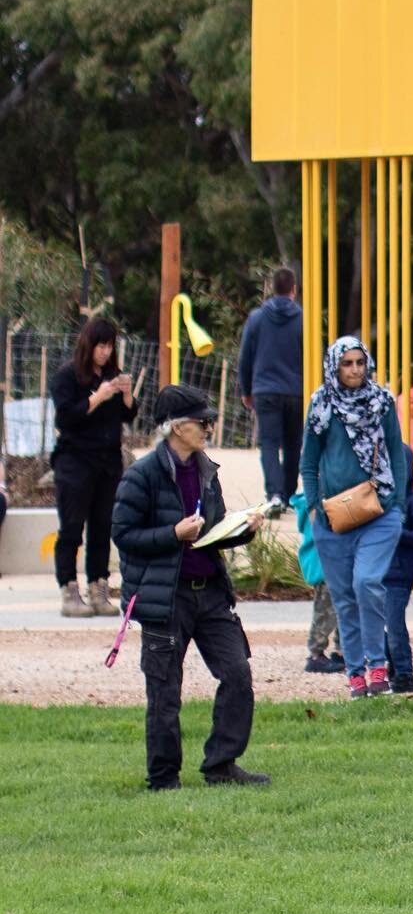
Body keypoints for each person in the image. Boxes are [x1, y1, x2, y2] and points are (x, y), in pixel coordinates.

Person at [112, 384, 268, 789]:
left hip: (211, 594)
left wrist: (243, 530)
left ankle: (221, 765)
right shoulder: (140, 476)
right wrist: (172, 533)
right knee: (165, 692)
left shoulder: (206, 471)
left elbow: (208, 533)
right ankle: (163, 778)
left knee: (237, 675)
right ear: (177, 427)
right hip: (166, 598)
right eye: (203, 422)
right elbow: (124, 535)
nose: (208, 428)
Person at [299, 336, 410, 700]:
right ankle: (356, 673)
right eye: (347, 363)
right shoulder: (321, 404)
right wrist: (315, 507)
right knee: (344, 596)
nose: (355, 370)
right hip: (334, 518)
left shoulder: (381, 401)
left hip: (379, 511)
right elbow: (309, 461)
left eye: (360, 362)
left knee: (366, 583)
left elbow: (396, 450)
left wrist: (398, 503)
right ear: (334, 366)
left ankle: (378, 665)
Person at [49, 316, 135, 617]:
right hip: (75, 462)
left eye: (109, 346)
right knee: (72, 527)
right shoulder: (67, 376)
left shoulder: (112, 375)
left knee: (103, 526)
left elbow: (128, 416)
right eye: (101, 345)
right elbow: (66, 418)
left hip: (107, 463)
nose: (105, 352)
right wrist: (98, 396)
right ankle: (69, 588)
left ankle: (99, 586)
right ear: (89, 345)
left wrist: (125, 394)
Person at [238, 267, 304, 519]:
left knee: (268, 443)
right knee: (292, 445)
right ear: (293, 289)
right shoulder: (303, 319)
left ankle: (274, 495)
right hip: (296, 392)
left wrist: (246, 390)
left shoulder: (256, 319)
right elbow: (315, 357)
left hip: (265, 390)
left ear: (270, 288)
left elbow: (245, 357)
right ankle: (287, 495)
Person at [382, 445, 413, 695]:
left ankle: (405, 673)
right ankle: (394, 667)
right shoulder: (382, 502)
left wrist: (398, 534)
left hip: (400, 575)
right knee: (378, 625)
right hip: (380, 572)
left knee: (394, 624)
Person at [289, 489, 344, 674]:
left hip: (331, 561)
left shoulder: (318, 499)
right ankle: (315, 653)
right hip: (324, 563)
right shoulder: (316, 503)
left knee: (343, 607)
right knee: (326, 610)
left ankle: (341, 649)